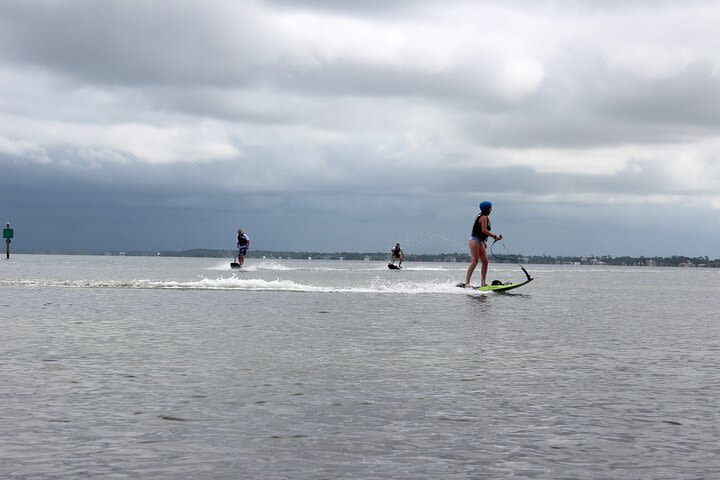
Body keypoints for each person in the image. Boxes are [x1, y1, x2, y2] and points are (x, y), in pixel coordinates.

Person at [465, 201, 502, 287]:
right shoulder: (483, 217)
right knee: (475, 262)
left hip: (480, 241)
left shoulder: (484, 216)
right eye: (490, 207)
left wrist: (484, 241)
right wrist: (495, 236)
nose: (491, 209)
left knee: (485, 261)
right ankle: (467, 283)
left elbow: (481, 232)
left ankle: (483, 283)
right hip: (474, 240)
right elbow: (484, 230)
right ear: (487, 208)